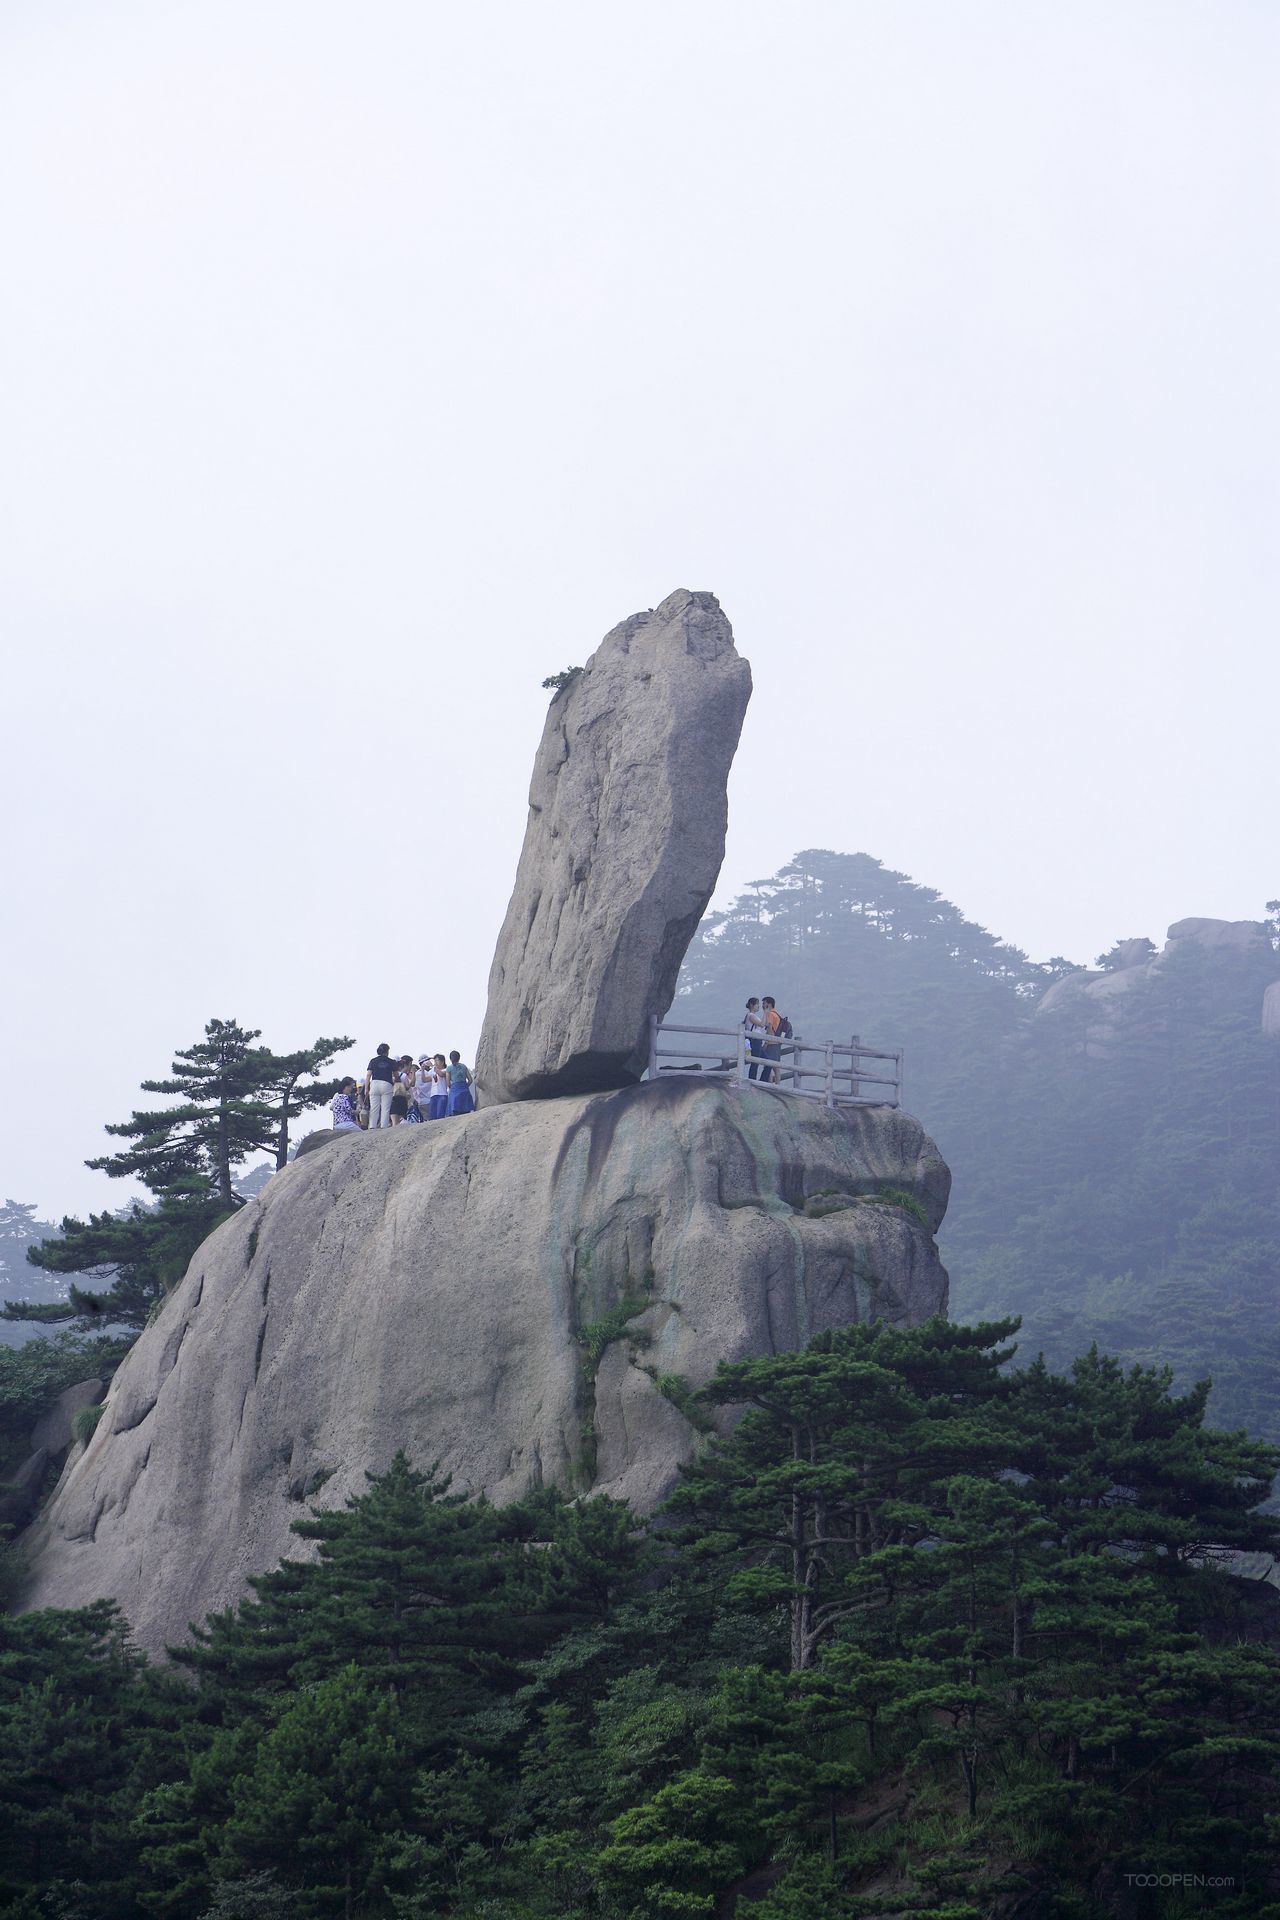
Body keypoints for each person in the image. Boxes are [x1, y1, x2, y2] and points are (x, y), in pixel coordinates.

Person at [364, 1043, 397, 1129]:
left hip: (374, 1083)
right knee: (385, 1107)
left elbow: (368, 1075)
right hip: (387, 1084)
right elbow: (396, 1074)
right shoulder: (391, 1061)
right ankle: (384, 1126)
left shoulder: (373, 1061)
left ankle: (372, 1126)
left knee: (374, 1107)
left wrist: (366, 1088)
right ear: (387, 1051)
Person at [742, 998, 765, 1080]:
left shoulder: (753, 1016)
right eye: (757, 1004)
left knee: (767, 1061)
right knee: (755, 1063)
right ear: (752, 1005)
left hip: (757, 1041)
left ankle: (761, 1081)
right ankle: (752, 1081)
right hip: (755, 1041)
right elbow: (762, 1024)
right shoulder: (751, 1015)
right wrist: (765, 1012)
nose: (758, 1006)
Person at [761, 996, 783, 1083]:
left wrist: (766, 1042)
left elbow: (769, 1028)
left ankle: (770, 1084)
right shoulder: (776, 1014)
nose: (762, 1005)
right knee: (776, 1067)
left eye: (764, 1003)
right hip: (776, 1043)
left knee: (769, 1066)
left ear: (769, 1004)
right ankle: (777, 1085)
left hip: (771, 1043)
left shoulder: (770, 1014)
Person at [446, 1051, 475, 1115]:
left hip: (454, 1091)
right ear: (459, 1058)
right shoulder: (464, 1066)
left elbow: (448, 1083)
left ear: (450, 1059)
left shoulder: (449, 1068)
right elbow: (470, 1080)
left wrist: (452, 1087)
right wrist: (465, 1086)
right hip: (465, 1090)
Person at [388, 1055, 414, 1126]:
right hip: (402, 1099)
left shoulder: (389, 1075)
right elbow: (408, 1087)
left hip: (392, 1099)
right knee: (403, 1120)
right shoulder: (403, 1075)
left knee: (394, 1122)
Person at [428, 1054, 450, 1121]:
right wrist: (422, 1069)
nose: (435, 1063)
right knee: (432, 1117)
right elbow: (424, 1079)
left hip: (442, 1094)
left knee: (440, 1116)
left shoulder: (446, 1070)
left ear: (442, 1061)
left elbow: (440, 1074)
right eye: (434, 1061)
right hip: (433, 1095)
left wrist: (432, 1066)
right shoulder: (433, 1070)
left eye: (436, 1061)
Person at [413, 1055, 434, 1121]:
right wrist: (433, 1066)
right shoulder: (429, 1073)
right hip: (429, 1101)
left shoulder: (416, 1074)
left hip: (421, 1102)